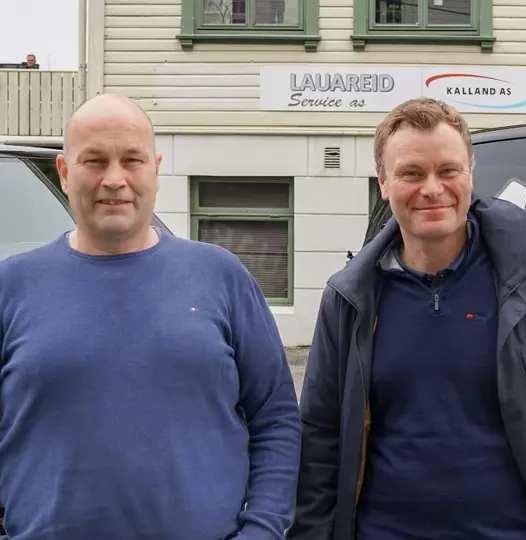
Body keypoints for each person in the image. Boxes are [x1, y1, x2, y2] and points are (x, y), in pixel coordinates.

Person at [289, 97, 526, 540]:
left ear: (470, 172)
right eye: (412, 173)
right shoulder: (350, 299)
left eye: (447, 170)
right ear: (384, 183)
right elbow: (320, 439)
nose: (432, 189)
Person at [0, 93, 301, 540]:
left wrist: (262, 530)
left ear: (155, 169)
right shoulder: (11, 286)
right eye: (94, 161)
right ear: (64, 172)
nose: (114, 179)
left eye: (132, 160)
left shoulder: (220, 276)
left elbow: (275, 418)